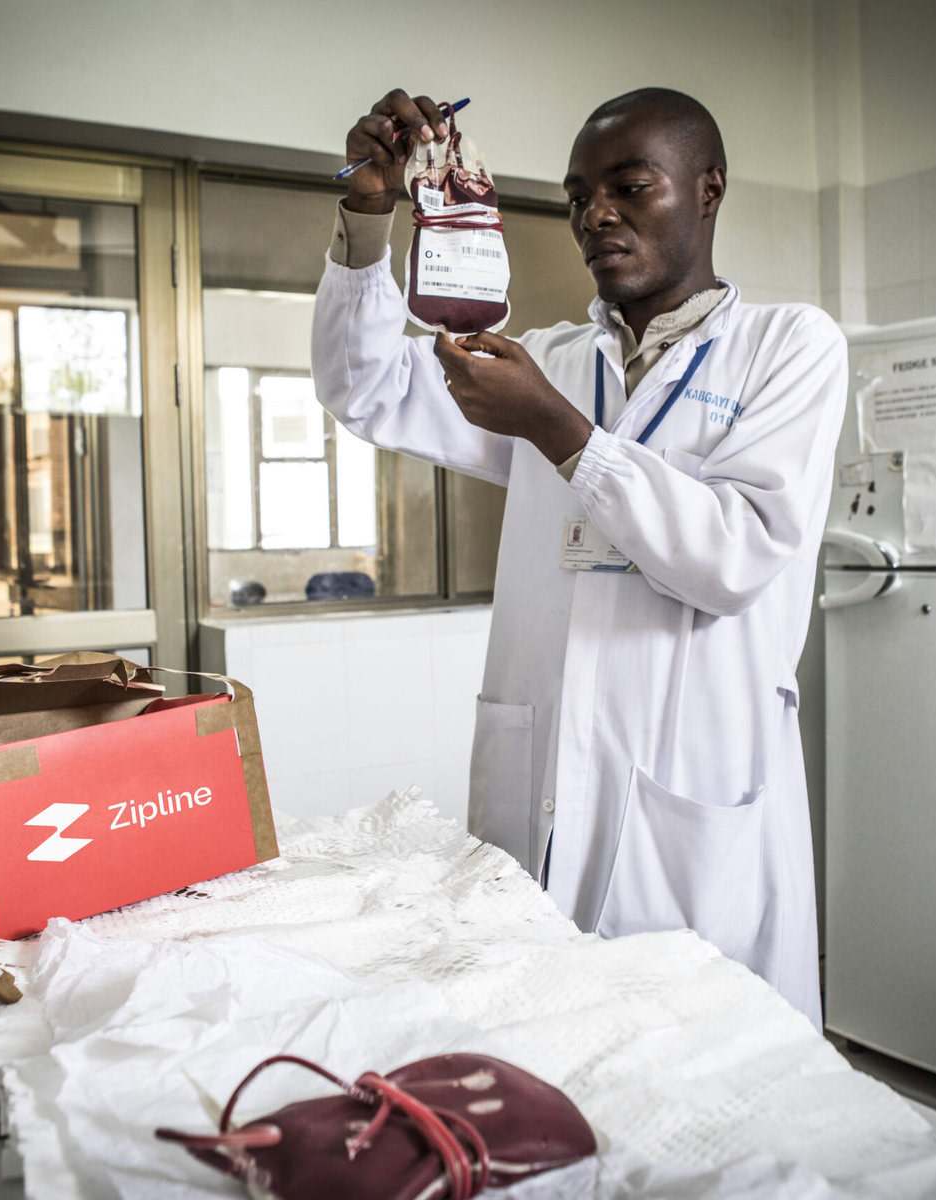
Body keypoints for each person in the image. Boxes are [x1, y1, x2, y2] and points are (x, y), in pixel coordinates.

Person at [310, 87, 846, 1027]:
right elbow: (369, 388)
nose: (596, 215)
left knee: (701, 1066)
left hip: (694, 798)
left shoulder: (787, 347)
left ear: (708, 189)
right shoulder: (550, 359)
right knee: (541, 1051)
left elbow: (734, 556)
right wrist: (367, 213)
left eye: (631, 187)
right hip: (545, 789)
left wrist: (561, 434)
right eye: (576, 198)